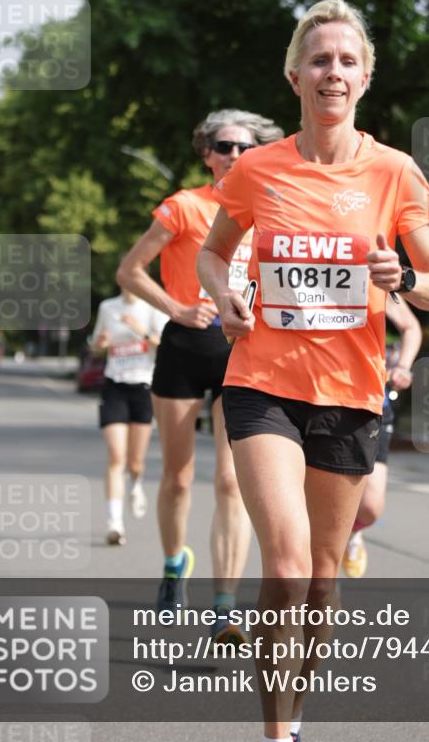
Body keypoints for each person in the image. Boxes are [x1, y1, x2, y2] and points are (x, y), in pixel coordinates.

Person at [198, 0, 429, 742]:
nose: (332, 72)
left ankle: (296, 709)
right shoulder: (256, 169)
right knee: (281, 565)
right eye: (319, 60)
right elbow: (214, 253)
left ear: (365, 77)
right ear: (294, 76)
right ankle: (275, 734)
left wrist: (400, 276)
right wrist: (223, 298)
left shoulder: (393, 172)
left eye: (347, 61)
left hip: (348, 394)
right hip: (260, 385)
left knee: (319, 581)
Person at [117, 109, 283, 638]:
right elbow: (129, 270)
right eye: (224, 146)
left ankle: (225, 604)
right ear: (206, 153)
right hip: (186, 348)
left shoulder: (269, 207)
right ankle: (172, 568)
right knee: (180, 476)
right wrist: (176, 308)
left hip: (243, 352)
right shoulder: (184, 206)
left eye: (243, 147)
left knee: (233, 481)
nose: (234, 155)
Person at [342, 295, 422, 577]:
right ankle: (322, 592)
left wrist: (402, 366)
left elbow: (411, 327)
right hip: (311, 399)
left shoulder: (376, 278)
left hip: (371, 402)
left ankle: (351, 533)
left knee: (371, 506)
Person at [91, 289, 168, 545]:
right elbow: (96, 346)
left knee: (135, 462)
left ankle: (135, 484)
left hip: (143, 386)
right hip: (115, 385)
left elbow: (165, 344)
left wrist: (140, 330)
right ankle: (115, 523)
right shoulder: (108, 307)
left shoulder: (153, 307)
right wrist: (99, 344)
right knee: (116, 457)